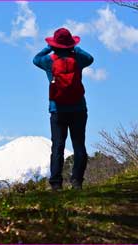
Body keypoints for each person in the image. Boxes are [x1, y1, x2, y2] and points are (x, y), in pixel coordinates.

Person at [33, 28, 94, 191]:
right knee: (79, 145)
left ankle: (56, 184)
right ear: (70, 44)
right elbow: (90, 58)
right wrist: (75, 48)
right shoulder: (78, 58)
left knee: (57, 146)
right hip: (79, 108)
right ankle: (77, 182)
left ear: (55, 44)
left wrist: (50, 47)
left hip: (57, 110)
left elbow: (35, 59)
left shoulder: (49, 61)